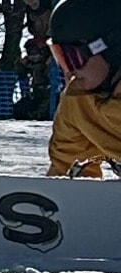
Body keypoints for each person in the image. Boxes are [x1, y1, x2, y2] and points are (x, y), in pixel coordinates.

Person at [48, 0, 121, 176]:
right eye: (61, 58)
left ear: (113, 50)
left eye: (74, 57)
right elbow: (67, 164)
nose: (70, 71)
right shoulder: (78, 102)